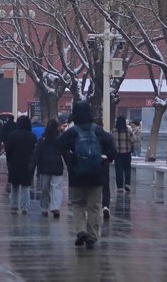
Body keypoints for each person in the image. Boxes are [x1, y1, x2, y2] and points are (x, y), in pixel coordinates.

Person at [60, 101, 116, 249]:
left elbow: (60, 145)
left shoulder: (72, 132)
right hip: (96, 174)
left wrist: (70, 160)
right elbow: (112, 148)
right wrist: (106, 159)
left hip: (77, 175)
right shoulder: (98, 130)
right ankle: (92, 235)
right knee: (95, 206)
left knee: (78, 203)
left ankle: (81, 230)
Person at [33, 119, 64, 218]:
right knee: (56, 188)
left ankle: (44, 207)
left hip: (44, 167)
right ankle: (55, 207)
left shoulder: (42, 139)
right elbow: (65, 152)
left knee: (44, 188)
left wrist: (33, 166)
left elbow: (36, 154)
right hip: (57, 166)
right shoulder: (60, 139)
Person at [6, 115, 37, 214]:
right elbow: (35, 152)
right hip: (27, 164)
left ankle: (14, 205)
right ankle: (25, 207)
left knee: (15, 185)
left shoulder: (13, 135)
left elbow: (8, 150)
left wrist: (9, 162)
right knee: (26, 186)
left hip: (15, 163)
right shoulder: (32, 136)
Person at [113, 115, 133, 192]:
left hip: (117, 153)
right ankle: (127, 184)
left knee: (118, 169)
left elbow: (112, 141)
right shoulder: (128, 130)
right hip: (127, 153)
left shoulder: (114, 130)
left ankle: (119, 187)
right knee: (127, 169)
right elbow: (134, 140)